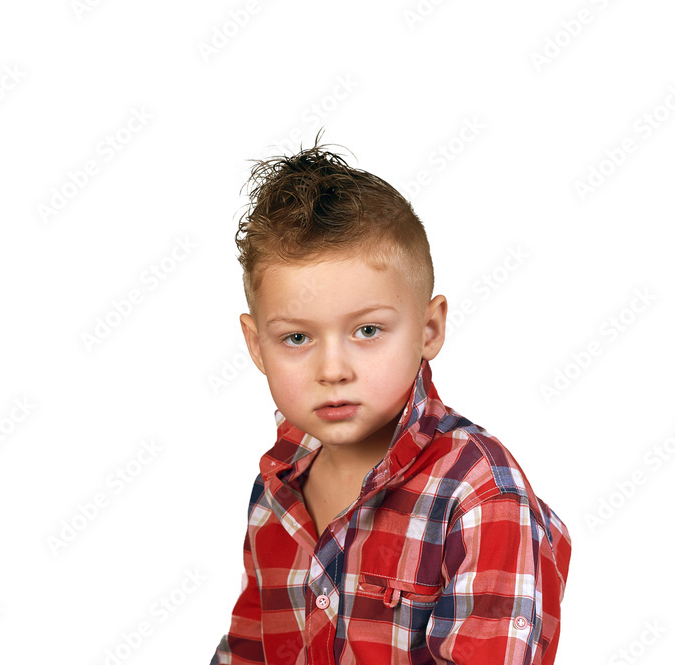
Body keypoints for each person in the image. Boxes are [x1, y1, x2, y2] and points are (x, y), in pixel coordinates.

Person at [211, 134, 571, 664]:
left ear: (428, 329)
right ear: (256, 344)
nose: (332, 370)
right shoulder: (276, 488)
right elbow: (249, 649)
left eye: (368, 331)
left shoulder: (480, 493)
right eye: (297, 337)